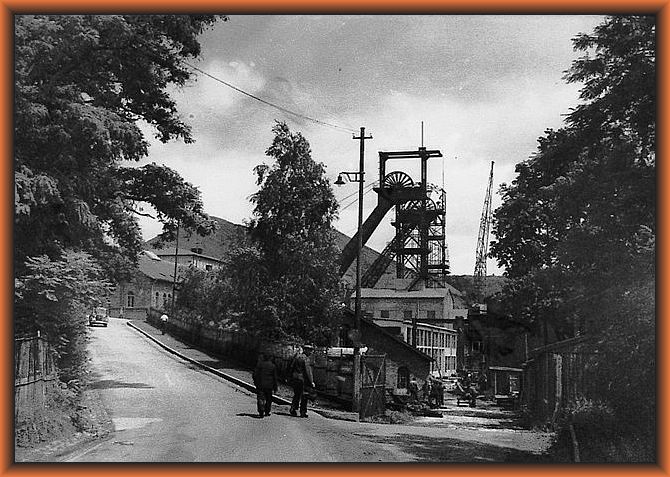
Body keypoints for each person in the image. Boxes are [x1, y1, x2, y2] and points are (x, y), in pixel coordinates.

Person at [289, 344, 315, 418]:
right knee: (304, 396)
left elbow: (291, 367)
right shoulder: (305, 359)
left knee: (296, 394)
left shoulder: (297, 357)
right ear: (305, 350)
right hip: (302, 380)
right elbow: (308, 371)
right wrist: (311, 381)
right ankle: (303, 411)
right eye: (310, 351)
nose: (311, 352)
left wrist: (290, 377)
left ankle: (293, 408)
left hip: (295, 378)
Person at [253, 351, 278, 418]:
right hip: (269, 385)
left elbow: (255, 374)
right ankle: (267, 411)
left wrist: (256, 382)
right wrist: (275, 387)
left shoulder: (260, 365)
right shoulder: (273, 366)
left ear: (264, 357)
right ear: (270, 358)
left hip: (260, 384)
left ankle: (261, 408)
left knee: (261, 397)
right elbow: (275, 378)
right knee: (269, 399)